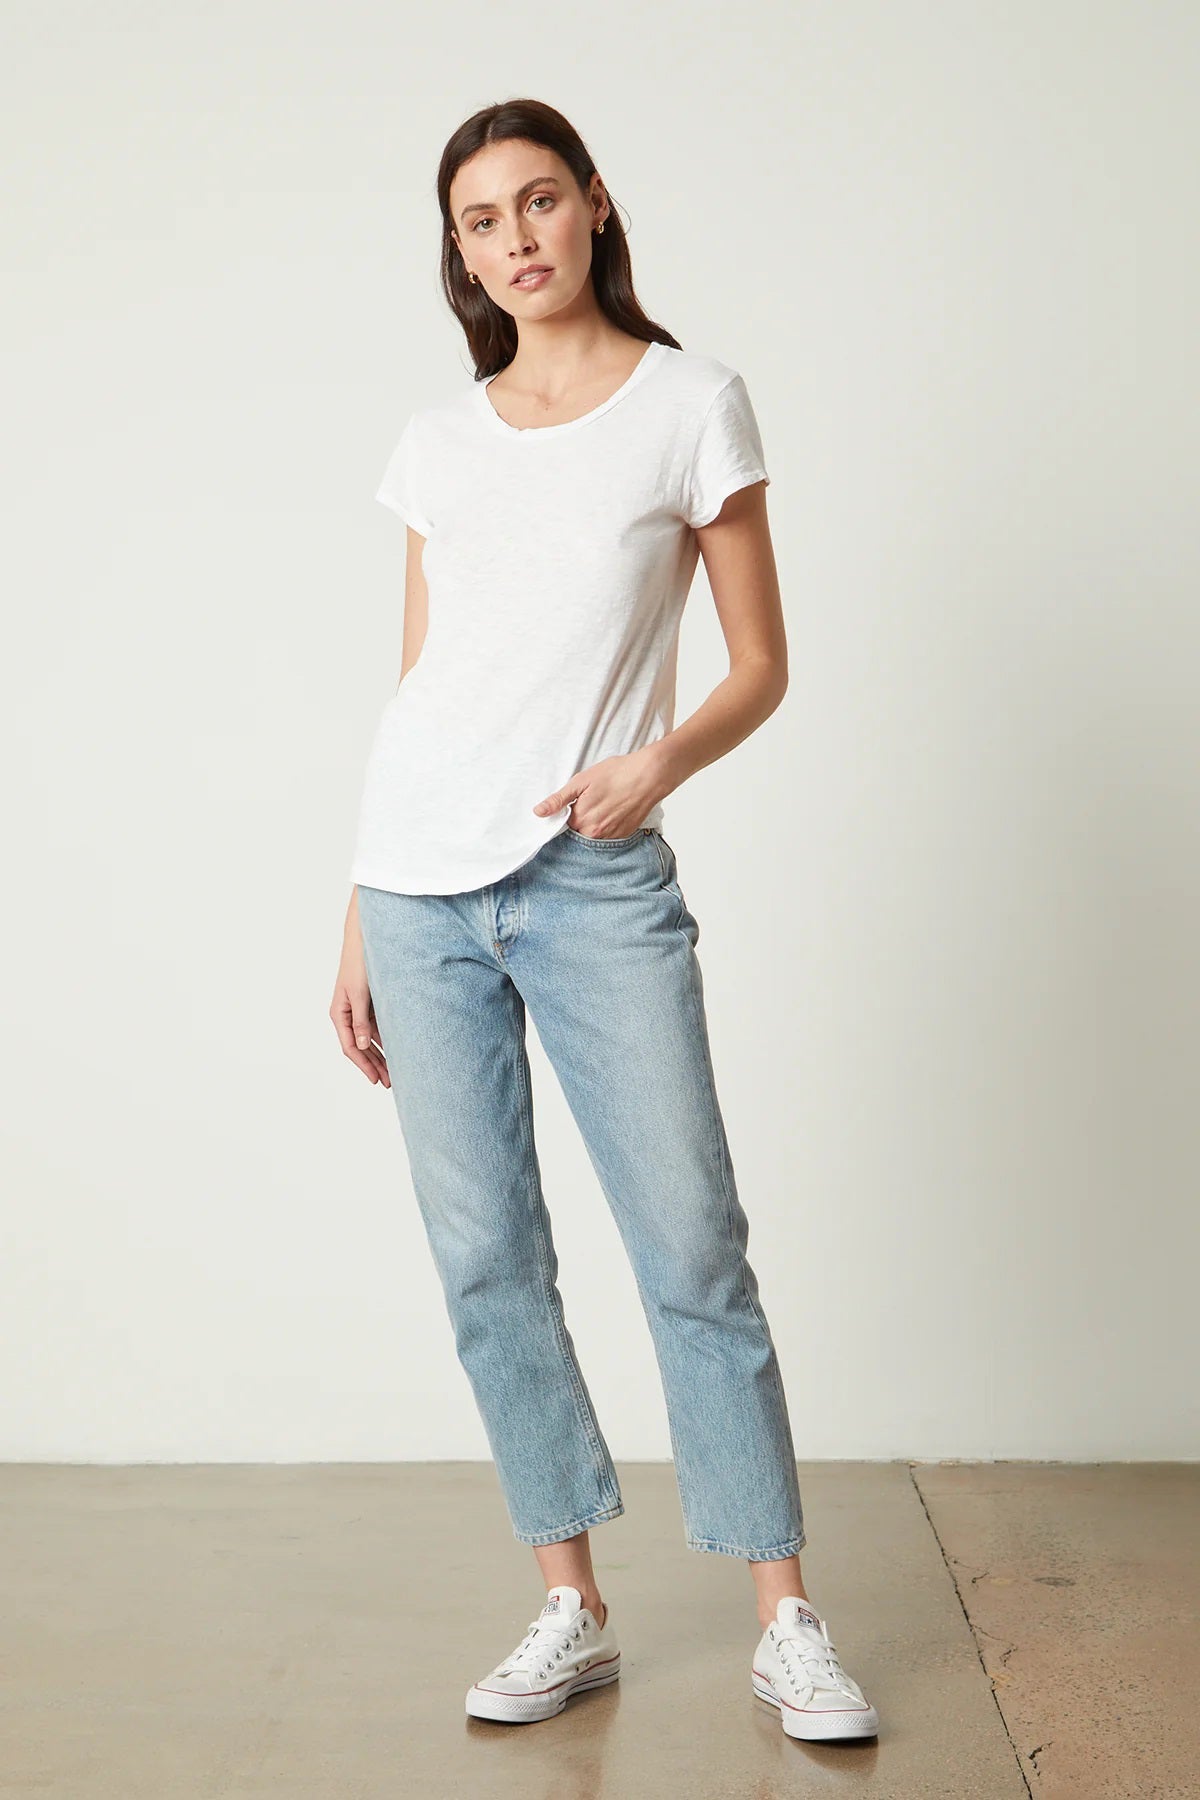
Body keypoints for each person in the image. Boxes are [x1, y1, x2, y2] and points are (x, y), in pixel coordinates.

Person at [331, 97, 879, 1744]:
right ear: (462, 253)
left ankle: (786, 1617)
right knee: (487, 1256)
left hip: (590, 879)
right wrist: (358, 910)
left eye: (539, 201)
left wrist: (657, 764)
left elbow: (762, 662)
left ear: (594, 208)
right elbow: (422, 691)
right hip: (418, 886)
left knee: (692, 1246)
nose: (515, 238)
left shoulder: (692, 403)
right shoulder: (438, 443)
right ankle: (570, 1600)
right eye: (482, 219)